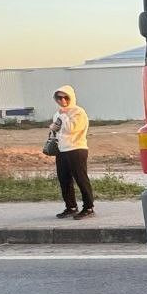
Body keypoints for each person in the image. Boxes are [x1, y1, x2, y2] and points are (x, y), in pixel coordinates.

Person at [49, 85, 94, 219]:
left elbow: (71, 129)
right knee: (64, 179)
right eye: (59, 97)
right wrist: (53, 128)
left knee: (81, 179)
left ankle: (88, 207)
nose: (62, 100)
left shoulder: (78, 112)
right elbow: (59, 131)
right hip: (62, 150)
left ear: (71, 97)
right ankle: (71, 206)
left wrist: (63, 116)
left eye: (65, 97)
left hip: (76, 149)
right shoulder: (58, 113)